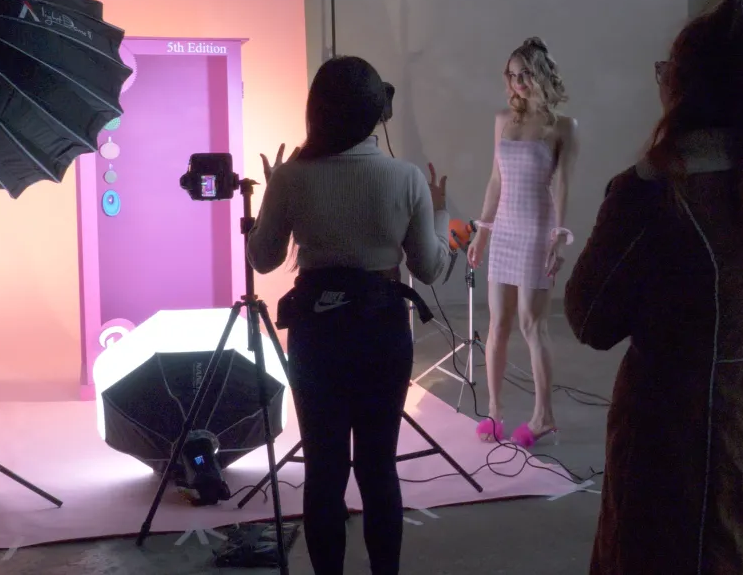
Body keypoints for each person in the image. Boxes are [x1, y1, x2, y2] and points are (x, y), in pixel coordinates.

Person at [564, 0, 743, 574]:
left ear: (683, 87)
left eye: (667, 72)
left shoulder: (655, 191)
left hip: (680, 447)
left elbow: (588, 318)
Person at [247, 56, 452, 575]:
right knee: (379, 467)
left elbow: (264, 258)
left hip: (317, 335)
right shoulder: (406, 178)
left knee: (324, 470)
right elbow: (428, 267)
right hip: (382, 333)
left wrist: (273, 196)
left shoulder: (292, 178)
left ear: (316, 111)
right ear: (377, 114)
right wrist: (442, 212)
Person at [466, 37, 579, 448]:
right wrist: (482, 231)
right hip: (507, 228)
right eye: (512, 76)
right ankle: (494, 414)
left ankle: (543, 414)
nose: (517, 83)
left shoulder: (562, 127)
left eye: (525, 74)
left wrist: (559, 239)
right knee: (497, 323)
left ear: (542, 75)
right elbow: (496, 180)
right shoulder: (503, 121)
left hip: (537, 227)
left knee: (533, 323)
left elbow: (563, 186)